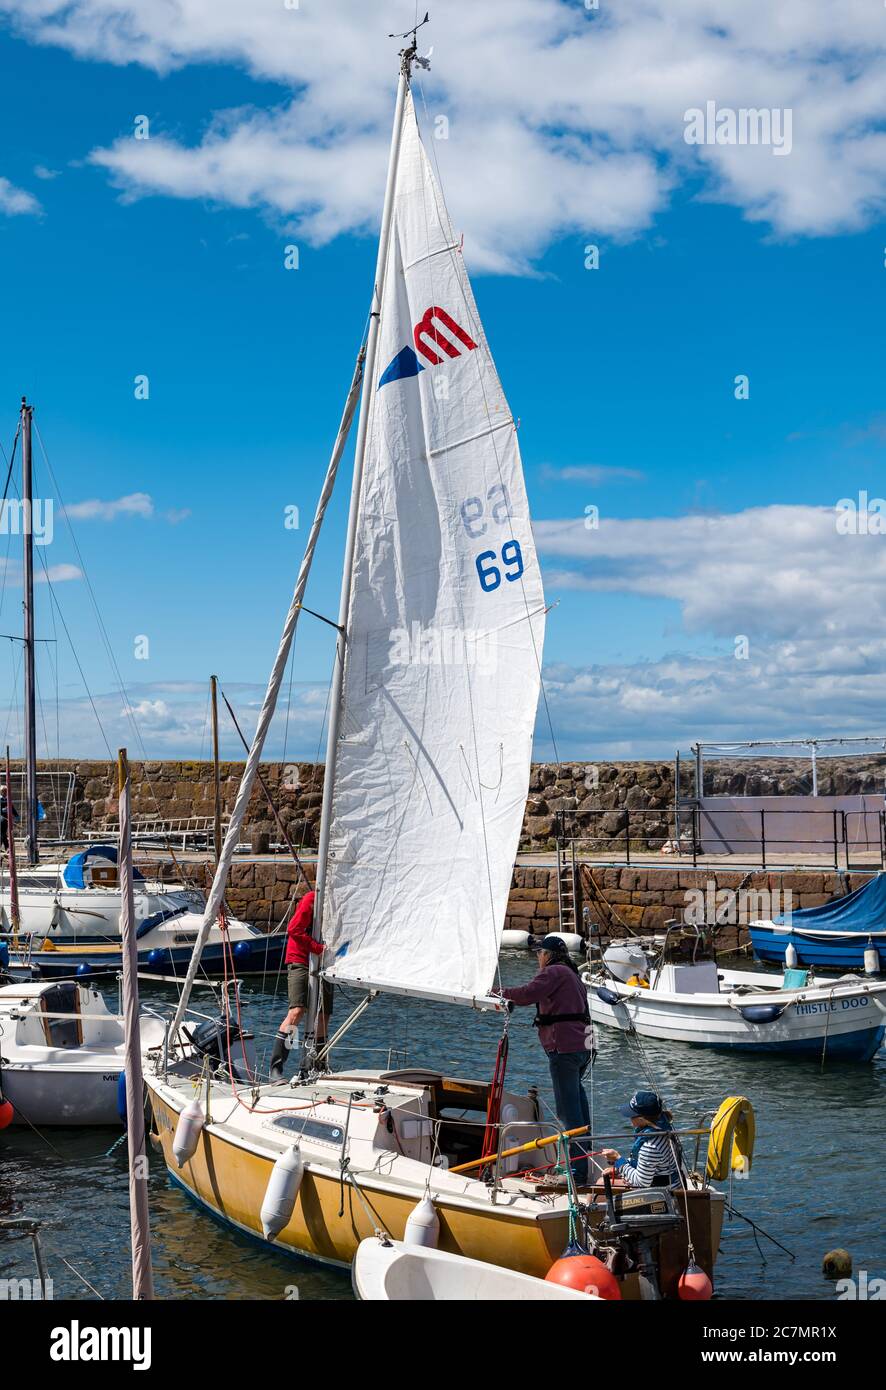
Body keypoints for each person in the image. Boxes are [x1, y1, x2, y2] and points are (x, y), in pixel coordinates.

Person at [496, 934, 594, 1184]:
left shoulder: (553, 973)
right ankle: (582, 1163)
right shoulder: (572, 974)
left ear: (547, 955)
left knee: (569, 1112)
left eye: (539, 954)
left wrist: (497, 992)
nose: (537, 958)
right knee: (579, 1109)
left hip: (564, 1050)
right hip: (582, 1048)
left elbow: (528, 994)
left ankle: (577, 1173)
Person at [269, 889, 333, 1080]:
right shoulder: (313, 899)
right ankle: (277, 1068)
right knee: (297, 1011)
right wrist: (318, 948)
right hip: (300, 960)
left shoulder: (338, 903)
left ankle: (316, 1066)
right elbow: (294, 929)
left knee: (323, 1016)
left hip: (325, 964)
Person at [601, 1089, 681, 1188]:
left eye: (631, 1115)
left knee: (600, 1183)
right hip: (669, 1184)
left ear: (641, 1118)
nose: (629, 1118)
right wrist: (618, 1169)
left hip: (660, 1194)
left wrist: (618, 1160)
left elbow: (641, 1183)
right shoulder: (664, 1128)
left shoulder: (650, 1146)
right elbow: (647, 1165)